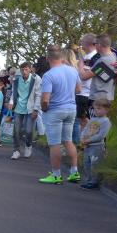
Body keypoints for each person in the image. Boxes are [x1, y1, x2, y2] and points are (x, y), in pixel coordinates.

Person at [38, 47, 81, 184]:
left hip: (55, 110)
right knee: (68, 140)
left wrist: (44, 109)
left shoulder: (48, 75)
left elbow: (45, 99)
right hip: (71, 109)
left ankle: (56, 175)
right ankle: (74, 172)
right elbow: (78, 89)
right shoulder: (73, 71)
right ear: (62, 57)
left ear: (47, 58)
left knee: (55, 143)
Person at [7, 62, 41, 160]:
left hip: (31, 108)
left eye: (26, 69)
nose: (24, 71)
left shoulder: (36, 79)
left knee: (29, 130)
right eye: (22, 70)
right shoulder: (16, 80)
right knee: (16, 130)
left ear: (30, 69)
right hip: (19, 107)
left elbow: (38, 94)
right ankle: (16, 150)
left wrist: (36, 109)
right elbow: (14, 92)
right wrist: (11, 101)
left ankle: (28, 146)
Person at [79, 99, 112, 190]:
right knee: (86, 163)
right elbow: (85, 129)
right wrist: (82, 138)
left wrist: (88, 140)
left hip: (97, 146)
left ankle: (94, 182)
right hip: (87, 146)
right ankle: (88, 180)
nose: (96, 111)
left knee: (95, 164)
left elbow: (101, 136)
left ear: (106, 110)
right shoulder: (92, 119)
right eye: (95, 109)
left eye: (99, 109)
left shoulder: (106, 121)